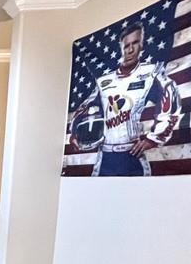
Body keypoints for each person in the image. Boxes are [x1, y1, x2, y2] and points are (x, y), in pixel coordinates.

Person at [71, 22, 182, 176]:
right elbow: (85, 107)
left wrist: (154, 138)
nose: (130, 50)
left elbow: (170, 96)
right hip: (105, 156)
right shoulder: (104, 81)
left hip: (132, 155)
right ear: (121, 47)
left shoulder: (149, 73)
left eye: (135, 43)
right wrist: (75, 133)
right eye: (126, 45)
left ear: (142, 44)